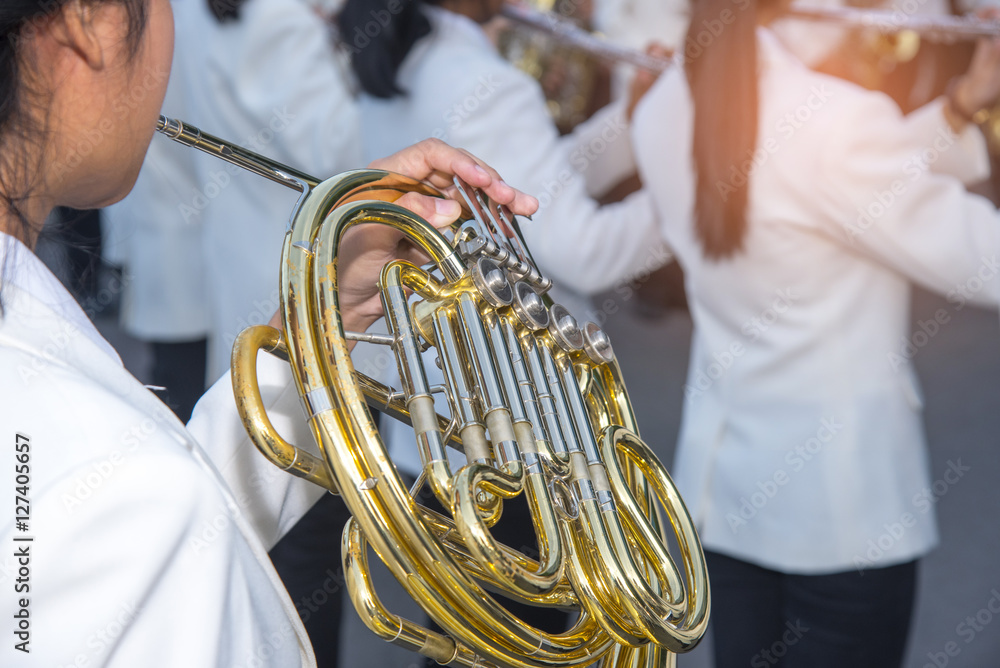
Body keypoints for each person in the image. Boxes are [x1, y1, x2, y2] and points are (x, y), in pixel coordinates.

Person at [0, 2, 537, 667]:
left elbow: (160, 531)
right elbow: (135, 514)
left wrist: (325, 320)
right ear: (89, 19)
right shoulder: (123, 487)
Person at [629, 0, 1000, 664]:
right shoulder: (830, 122)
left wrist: (961, 103)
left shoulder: (667, 104)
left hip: (729, 498)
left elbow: (839, 182)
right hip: (842, 519)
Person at [171, 0, 363, 382]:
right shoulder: (278, 16)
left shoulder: (199, 8)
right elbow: (339, 149)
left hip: (246, 253)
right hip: (291, 264)